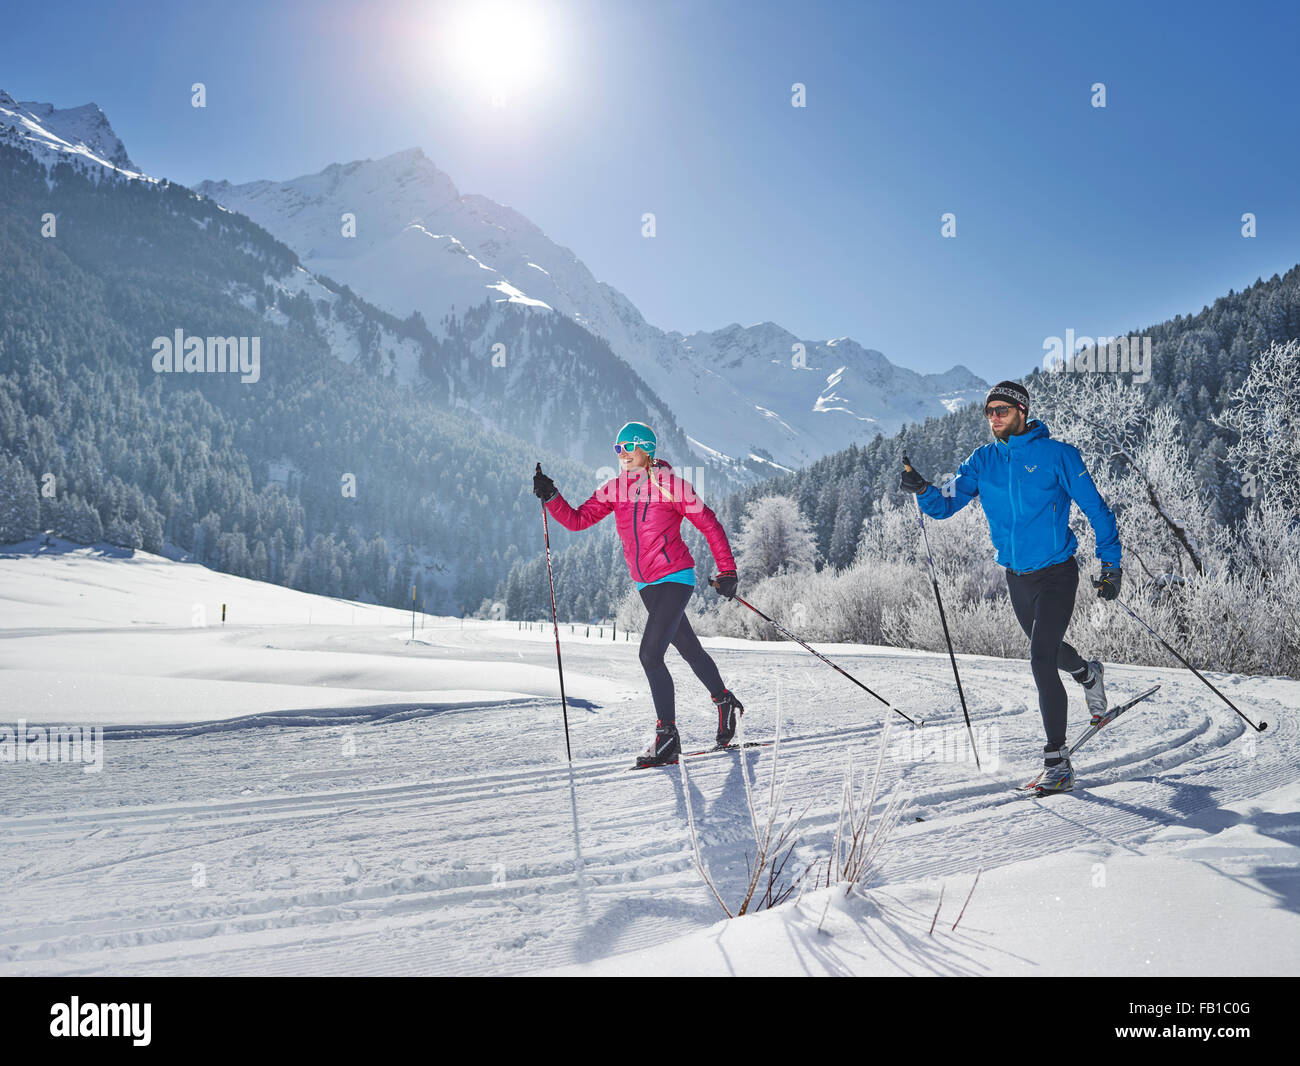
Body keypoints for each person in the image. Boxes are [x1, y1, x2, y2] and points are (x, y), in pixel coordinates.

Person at [898, 381, 1122, 793]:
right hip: (1016, 577)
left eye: (1002, 409)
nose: (995, 417)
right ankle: (1087, 673)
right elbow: (946, 504)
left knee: (1039, 660)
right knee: (1051, 652)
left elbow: (1098, 510)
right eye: (989, 412)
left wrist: (1112, 565)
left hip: (1057, 573)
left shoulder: (1059, 456)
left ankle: (1058, 762)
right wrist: (923, 489)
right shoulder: (983, 461)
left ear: (1022, 411)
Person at [533, 421, 743, 767]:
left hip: (676, 576)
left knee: (650, 655)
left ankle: (667, 737)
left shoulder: (671, 485)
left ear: (647, 449)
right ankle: (724, 702)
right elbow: (577, 520)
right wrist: (552, 496)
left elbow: (708, 522)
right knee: (689, 649)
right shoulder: (615, 489)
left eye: (628, 447)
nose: (622, 454)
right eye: (618, 448)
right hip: (646, 584)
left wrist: (727, 570)